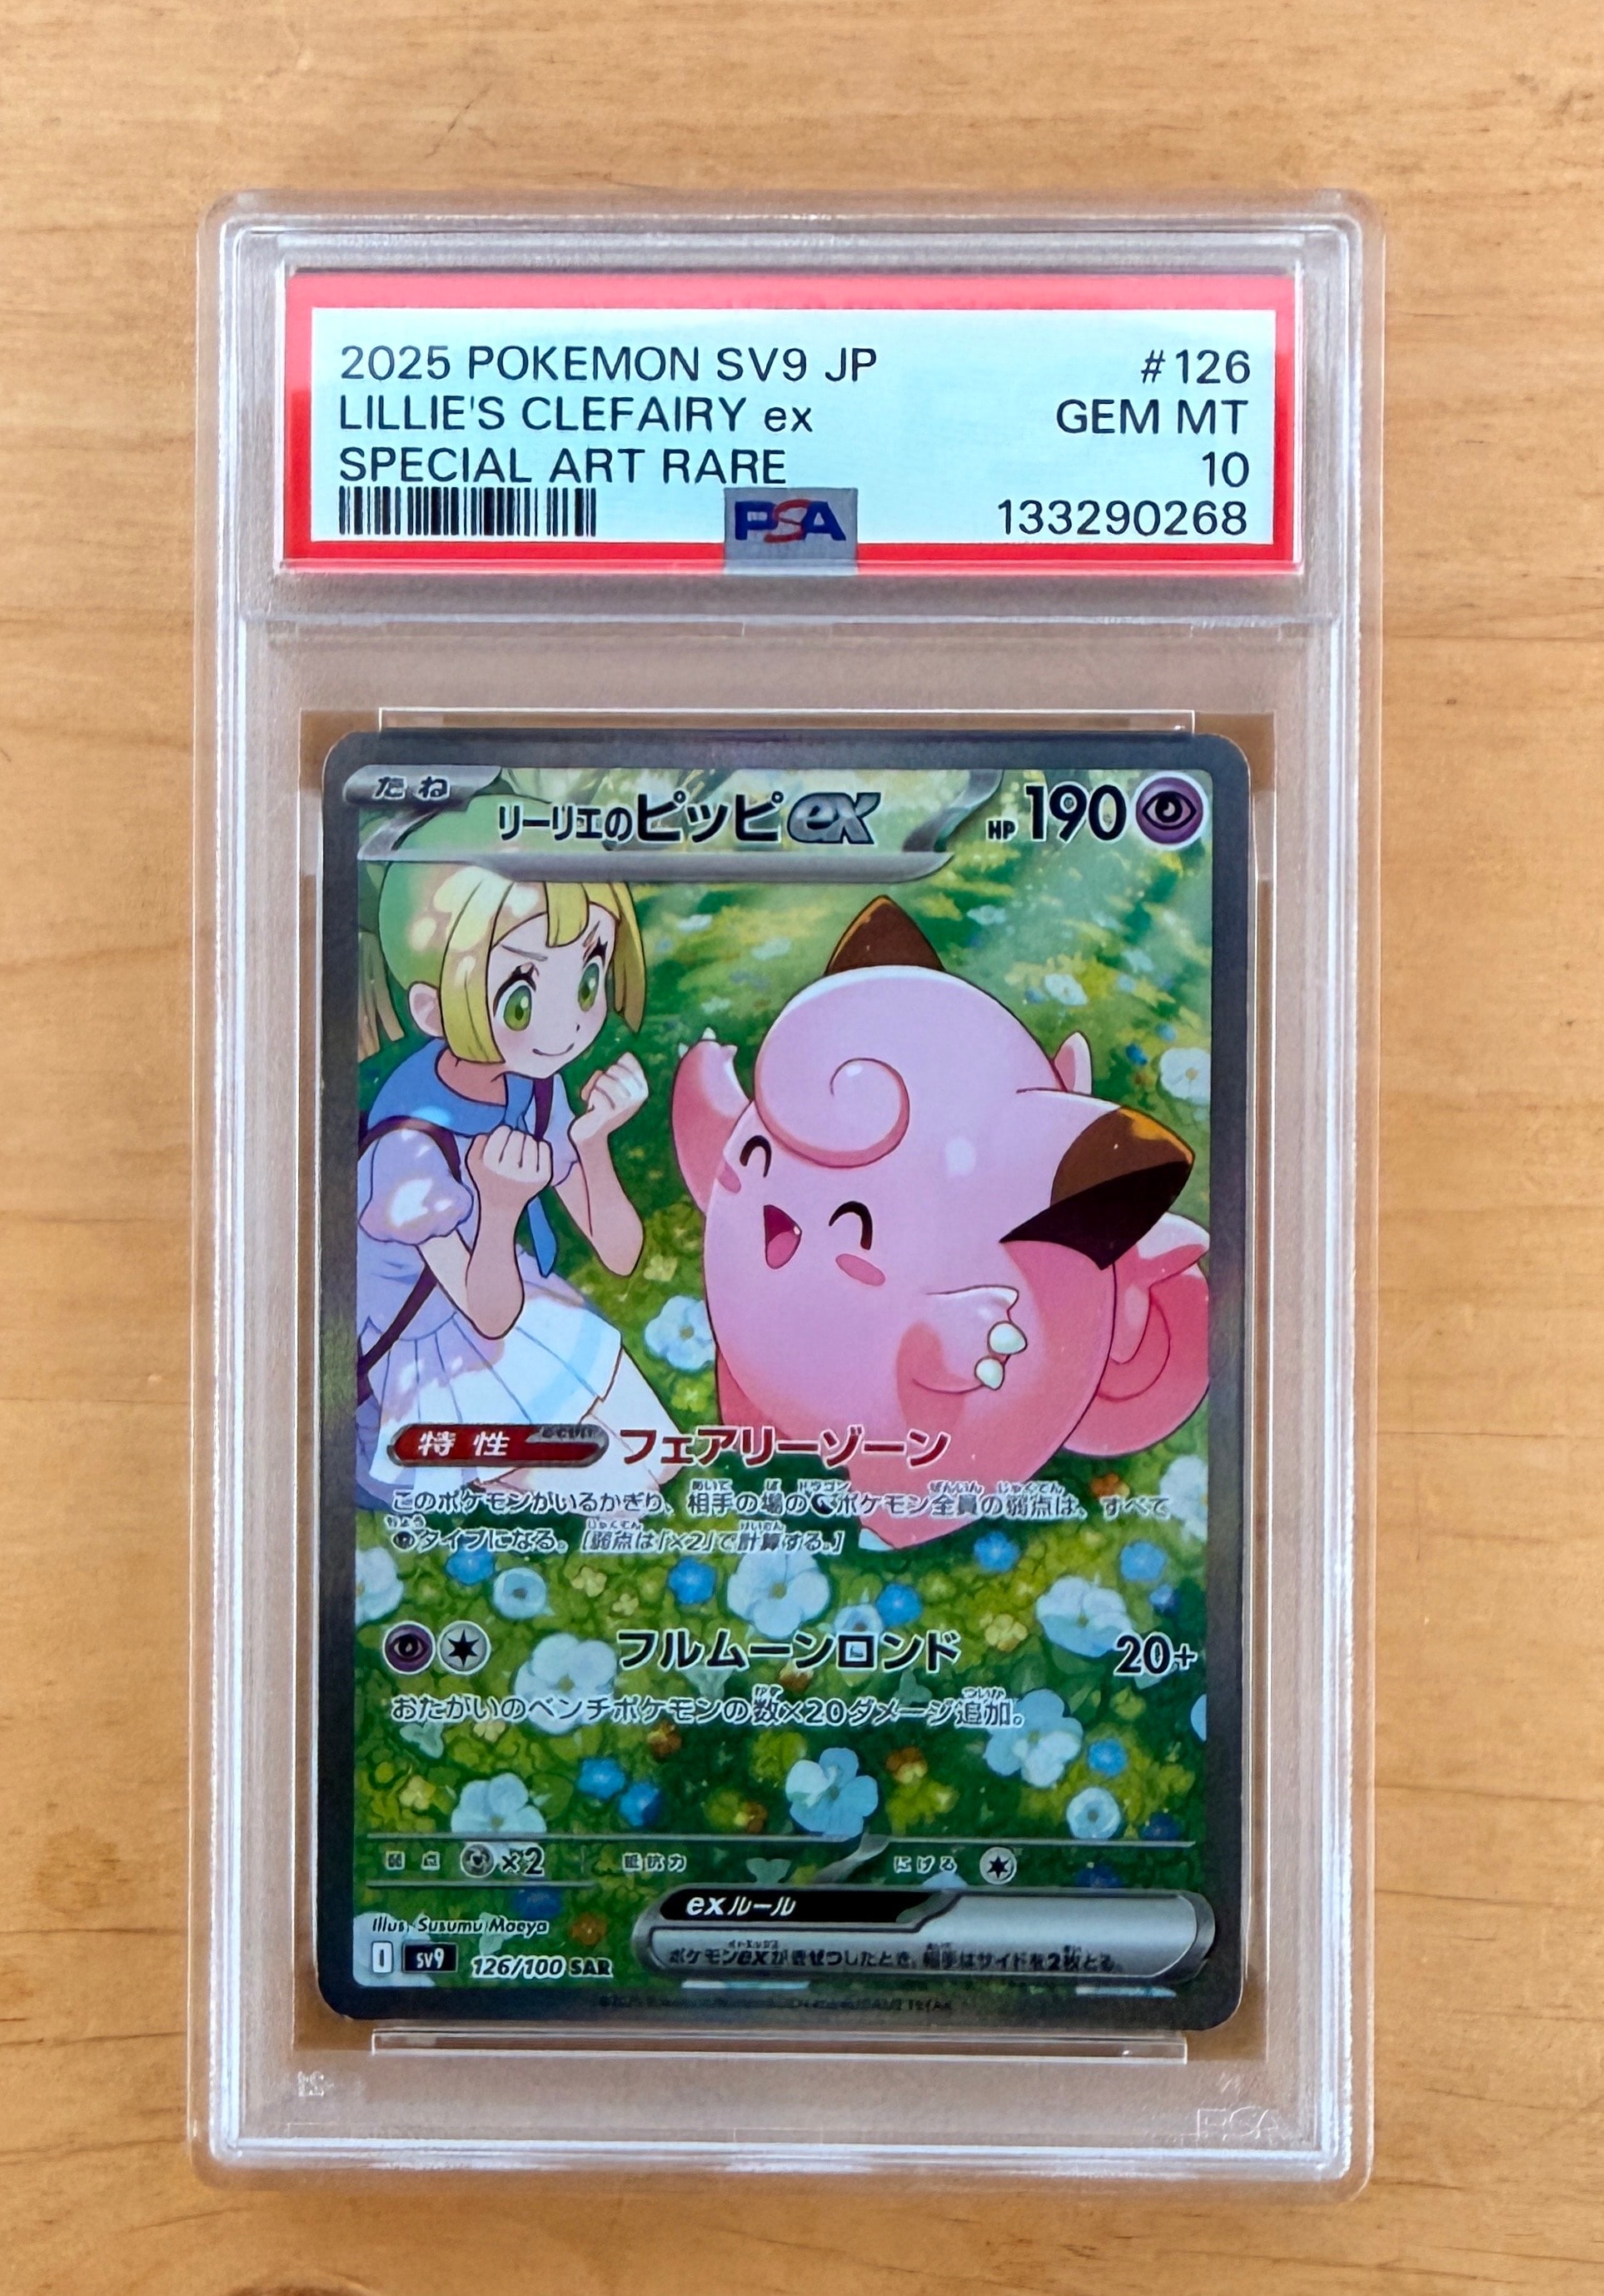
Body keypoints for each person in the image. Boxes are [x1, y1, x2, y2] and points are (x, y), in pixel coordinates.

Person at [356, 848, 675, 1507]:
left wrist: (591, 1143)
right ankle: (471, 1474)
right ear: (433, 1011)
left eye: (587, 981)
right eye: (523, 999)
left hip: (511, 1297)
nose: (567, 1026)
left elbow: (620, 1252)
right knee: (626, 1492)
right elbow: (488, 1315)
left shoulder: (533, 1083)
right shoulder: (408, 1150)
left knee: (662, 1457)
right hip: (434, 1346)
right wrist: (500, 1209)